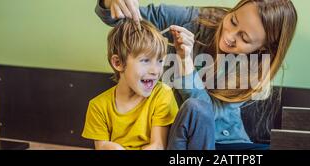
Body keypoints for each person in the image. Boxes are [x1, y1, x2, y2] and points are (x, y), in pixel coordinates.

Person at [96, 0, 298, 150]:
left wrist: (186, 64)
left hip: (225, 141)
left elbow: (204, 115)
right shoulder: (193, 20)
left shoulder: (256, 66)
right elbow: (122, 18)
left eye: (244, 38)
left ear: (263, 48)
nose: (229, 36)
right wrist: (111, 2)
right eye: (233, 21)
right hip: (178, 137)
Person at [82, 19, 178, 150]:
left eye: (160, 61)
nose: (155, 71)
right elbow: (101, 146)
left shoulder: (162, 94)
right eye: (145, 60)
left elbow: (158, 146)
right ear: (118, 63)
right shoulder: (97, 107)